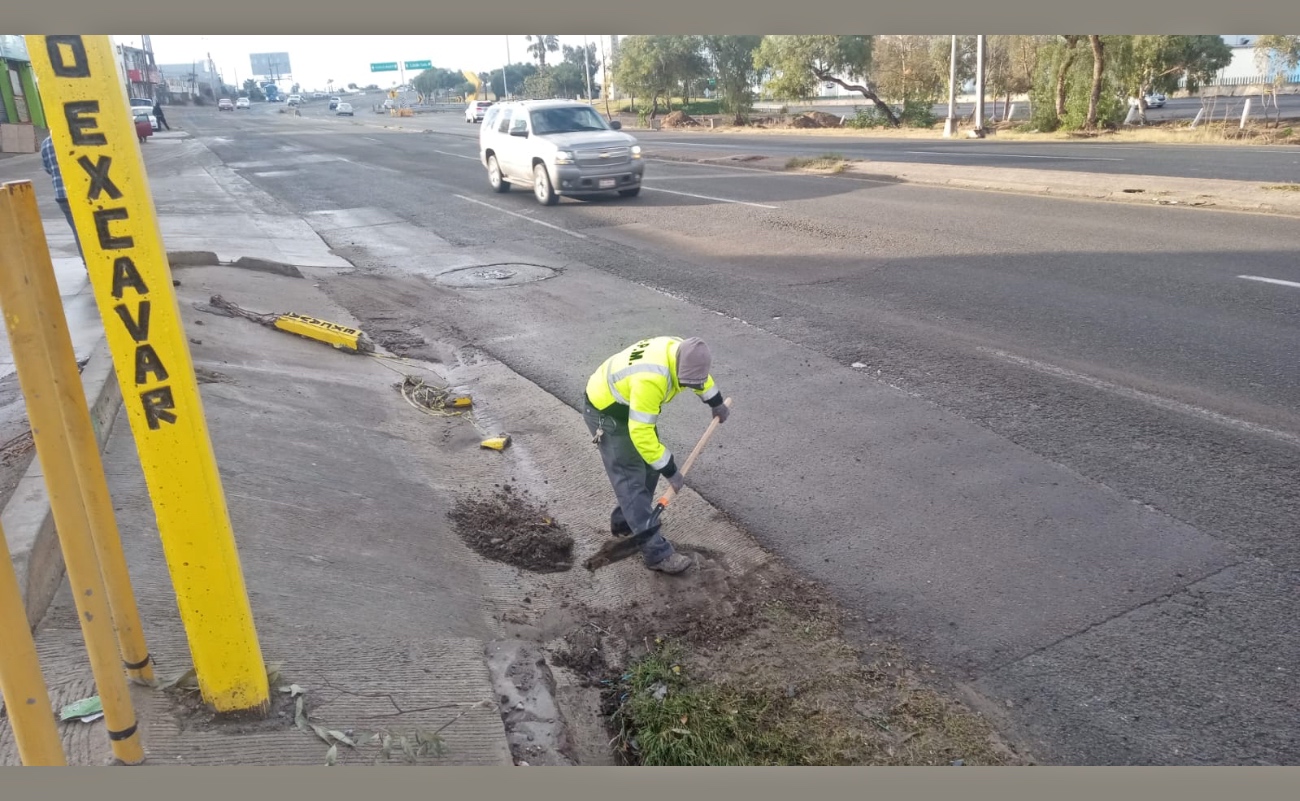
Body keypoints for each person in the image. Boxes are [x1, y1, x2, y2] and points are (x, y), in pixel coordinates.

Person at [583, 336, 730, 575]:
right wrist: (671, 470)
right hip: (608, 413)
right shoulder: (651, 379)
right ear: (677, 366)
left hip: (629, 405)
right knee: (631, 478)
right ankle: (656, 554)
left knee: (650, 468)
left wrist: (716, 402)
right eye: (686, 382)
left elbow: (700, 379)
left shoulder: (683, 350)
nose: (691, 385)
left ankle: (624, 522)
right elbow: (640, 432)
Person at [40, 135, 84, 263]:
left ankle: (87, 265)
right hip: (81, 192)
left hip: (62, 195)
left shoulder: (46, 143)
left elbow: (47, 168)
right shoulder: (74, 137)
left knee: (78, 231)